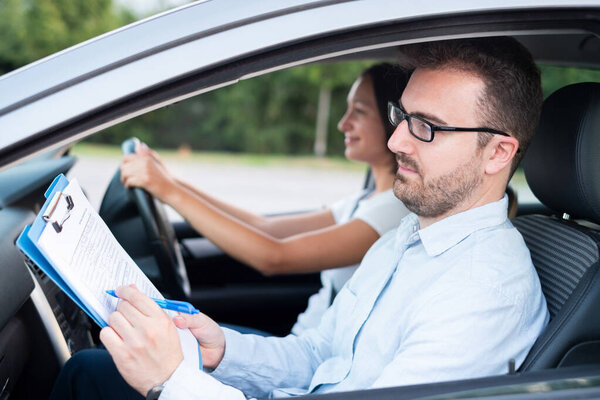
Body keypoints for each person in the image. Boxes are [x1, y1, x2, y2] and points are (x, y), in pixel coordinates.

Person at [50, 36, 550, 400]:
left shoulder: (483, 296)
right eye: (402, 116)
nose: (397, 140)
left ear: (497, 153)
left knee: (87, 375)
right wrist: (222, 350)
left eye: (428, 128)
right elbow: (321, 356)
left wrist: (171, 382)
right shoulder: (410, 236)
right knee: (90, 371)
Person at [120, 63, 411, 335]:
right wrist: (170, 182)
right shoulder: (366, 199)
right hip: (302, 344)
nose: (343, 124)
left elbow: (273, 257)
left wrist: (168, 190)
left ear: (394, 119)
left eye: (358, 111)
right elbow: (265, 227)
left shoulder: (392, 211)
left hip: (314, 363)